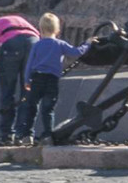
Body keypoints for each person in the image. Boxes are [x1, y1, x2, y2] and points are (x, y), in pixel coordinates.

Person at [14, 13, 90, 142]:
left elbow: (30, 64)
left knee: (32, 107)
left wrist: (27, 80)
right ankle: (48, 134)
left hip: (37, 78)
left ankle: (28, 134)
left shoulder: (37, 45)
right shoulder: (60, 44)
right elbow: (76, 52)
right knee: (48, 109)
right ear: (57, 30)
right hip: (52, 79)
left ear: (41, 29)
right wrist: (88, 44)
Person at [0, 12, 40, 142]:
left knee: (8, 90)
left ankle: (8, 134)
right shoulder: (15, 19)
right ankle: (26, 134)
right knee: (28, 91)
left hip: (12, 45)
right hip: (35, 43)